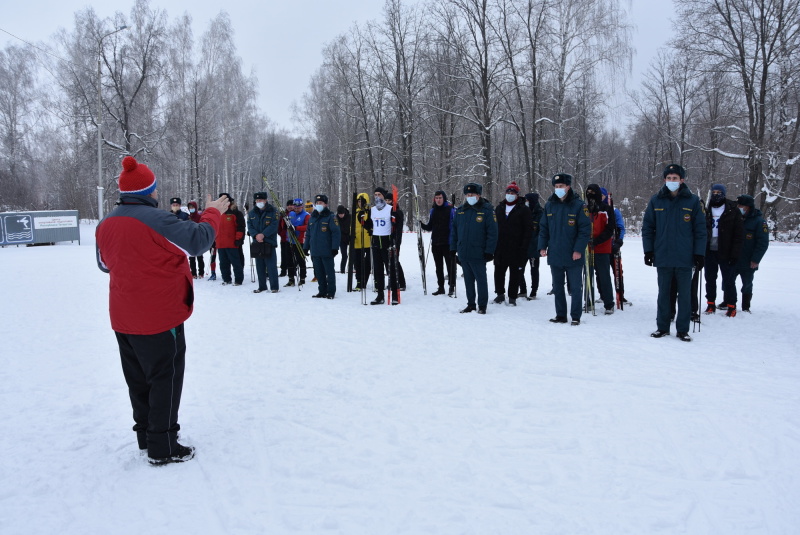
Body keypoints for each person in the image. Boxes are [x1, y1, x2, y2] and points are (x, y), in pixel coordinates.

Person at [96, 155, 229, 465]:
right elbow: (198, 243)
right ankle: (164, 445)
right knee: (164, 379)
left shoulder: (106, 223)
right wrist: (212, 212)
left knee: (138, 380)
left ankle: (146, 435)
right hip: (159, 316)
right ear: (150, 191)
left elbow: (104, 264)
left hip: (123, 316)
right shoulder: (157, 220)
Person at [642, 164, 707, 342]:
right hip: (663, 256)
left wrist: (699, 254)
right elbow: (648, 227)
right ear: (665, 180)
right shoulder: (656, 201)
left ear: (682, 180)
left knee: (684, 296)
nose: (672, 181)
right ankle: (662, 327)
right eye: (669, 178)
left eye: (675, 178)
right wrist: (648, 250)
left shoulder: (692, 201)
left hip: (685, 258)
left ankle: (682, 330)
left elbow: (700, 230)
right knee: (664, 294)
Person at [538, 173, 592, 325]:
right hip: (555, 254)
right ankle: (560, 315)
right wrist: (542, 246)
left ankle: (575, 316)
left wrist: (578, 250)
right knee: (558, 287)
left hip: (573, 254)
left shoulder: (579, 205)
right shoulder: (549, 205)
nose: (558, 189)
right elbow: (544, 228)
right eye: (556, 186)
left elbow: (584, 230)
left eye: (561, 186)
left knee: (575, 288)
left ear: (568, 187)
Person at [450, 182, 498, 314]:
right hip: (463, 252)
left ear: (478, 195)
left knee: (481, 280)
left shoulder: (487, 210)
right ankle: (470, 304)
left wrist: (489, 251)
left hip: (479, 252)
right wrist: (453, 248)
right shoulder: (460, 211)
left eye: (472, 194)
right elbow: (454, 231)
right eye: (467, 194)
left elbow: (493, 233)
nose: (470, 197)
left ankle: (482, 306)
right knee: (468, 280)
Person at [702, 183, 744, 317]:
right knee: (710, 279)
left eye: (719, 192)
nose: (716, 195)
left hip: (726, 250)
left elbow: (739, 235)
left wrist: (735, 254)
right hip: (709, 250)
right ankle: (710, 304)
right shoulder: (706, 209)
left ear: (724, 194)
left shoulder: (732, 210)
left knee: (728, 280)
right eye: (713, 192)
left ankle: (731, 306)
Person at [492, 181, 532, 306]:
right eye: (508, 192)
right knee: (499, 272)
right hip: (500, 246)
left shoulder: (524, 209)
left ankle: (512, 296)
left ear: (517, 194)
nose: (510, 194)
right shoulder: (499, 208)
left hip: (517, 247)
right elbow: (494, 227)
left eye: (512, 193)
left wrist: (524, 246)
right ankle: (500, 294)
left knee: (515, 273)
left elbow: (528, 229)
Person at [734, 195, 769, 312]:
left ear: (748, 207)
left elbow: (763, 243)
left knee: (747, 284)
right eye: (738, 205)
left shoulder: (759, 222)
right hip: (733, 258)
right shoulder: (735, 217)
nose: (738, 207)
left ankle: (745, 306)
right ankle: (729, 302)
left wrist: (756, 259)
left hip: (748, 260)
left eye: (741, 205)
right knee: (727, 283)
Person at [585, 183, 616, 315]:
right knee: (588, 276)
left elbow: (610, 229)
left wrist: (597, 240)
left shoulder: (606, 209)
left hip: (602, 247)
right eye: (588, 192)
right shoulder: (585, 209)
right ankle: (589, 301)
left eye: (593, 192)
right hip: (587, 248)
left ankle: (608, 303)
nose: (590, 194)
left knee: (603, 276)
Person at [305, 194, 341, 298]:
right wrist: (306, 247)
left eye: (320, 203)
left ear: (326, 204)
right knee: (319, 273)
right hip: (315, 251)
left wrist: (335, 247)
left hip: (327, 250)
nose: (318, 205)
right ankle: (322, 291)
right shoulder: (312, 218)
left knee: (329, 273)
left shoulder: (331, 217)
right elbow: (308, 234)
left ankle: (331, 292)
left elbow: (336, 233)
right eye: (317, 203)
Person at [366, 187, 398, 305]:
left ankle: (395, 294)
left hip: (387, 242)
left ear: (384, 196)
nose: (377, 197)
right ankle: (380, 295)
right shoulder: (372, 210)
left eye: (379, 194)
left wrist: (396, 218)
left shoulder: (390, 209)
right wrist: (363, 221)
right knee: (378, 271)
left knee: (391, 271)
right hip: (376, 242)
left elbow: (396, 226)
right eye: (375, 194)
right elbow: (369, 225)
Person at [421, 190, 456, 296]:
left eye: (440, 198)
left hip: (448, 243)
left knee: (450, 266)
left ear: (444, 198)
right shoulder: (433, 211)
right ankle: (441, 287)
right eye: (436, 198)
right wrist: (421, 225)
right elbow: (430, 226)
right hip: (436, 243)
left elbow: (455, 226)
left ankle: (451, 286)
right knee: (438, 267)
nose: (438, 200)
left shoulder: (450, 210)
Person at [247, 192, 280, 293]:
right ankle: (262, 286)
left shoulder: (273, 211)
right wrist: (256, 235)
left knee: (271, 266)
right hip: (257, 242)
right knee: (260, 266)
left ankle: (274, 287)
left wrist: (263, 235)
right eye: (257, 201)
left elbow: (274, 225)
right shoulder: (252, 213)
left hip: (269, 242)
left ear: (265, 200)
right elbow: (250, 225)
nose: (259, 202)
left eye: (261, 200)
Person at [601, 188, 627, 304]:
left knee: (617, 272)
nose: (600, 198)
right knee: (601, 273)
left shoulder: (614, 211)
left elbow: (621, 227)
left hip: (612, 246)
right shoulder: (595, 210)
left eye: (602, 196)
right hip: (601, 247)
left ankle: (620, 294)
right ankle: (603, 295)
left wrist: (619, 241)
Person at [216, 193, 246, 286]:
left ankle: (238, 280)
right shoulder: (217, 213)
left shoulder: (236, 213)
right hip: (220, 243)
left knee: (236, 262)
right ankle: (226, 279)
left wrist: (238, 239)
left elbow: (241, 227)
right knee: (223, 263)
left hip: (232, 243)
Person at [518, 192, 543, 300]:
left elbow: (542, 231)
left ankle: (533, 292)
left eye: (528, 200)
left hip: (534, 247)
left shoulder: (540, 213)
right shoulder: (523, 211)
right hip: (522, 247)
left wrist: (538, 245)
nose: (526, 202)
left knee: (534, 270)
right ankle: (522, 290)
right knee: (519, 269)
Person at [285, 198, 309, 286]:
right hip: (290, 240)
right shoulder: (291, 213)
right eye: (295, 207)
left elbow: (307, 227)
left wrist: (296, 228)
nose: (296, 209)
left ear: (302, 206)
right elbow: (287, 224)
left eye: (298, 207)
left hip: (300, 241)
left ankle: (302, 278)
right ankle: (291, 279)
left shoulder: (306, 215)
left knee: (300, 259)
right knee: (289, 260)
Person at [385, 191, 406, 290]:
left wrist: (397, 243)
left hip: (395, 240)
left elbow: (398, 228)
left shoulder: (398, 212)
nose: (388, 202)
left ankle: (401, 283)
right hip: (387, 239)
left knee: (395, 261)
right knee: (389, 262)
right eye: (386, 200)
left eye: (389, 200)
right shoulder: (385, 211)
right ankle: (392, 281)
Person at [353, 193, 372, 290]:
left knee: (368, 263)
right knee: (357, 263)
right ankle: (359, 281)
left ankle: (365, 280)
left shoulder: (370, 212)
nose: (360, 203)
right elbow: (352, 226)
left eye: (362, 201)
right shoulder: (355, 212)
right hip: (357, 242)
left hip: (368, 241)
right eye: (359, 201)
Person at [187, 201, 205, 279]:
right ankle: (193, 273)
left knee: (199, 257)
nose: (191, 209)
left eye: (192, 207)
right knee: (191, 258)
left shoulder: (199, 217)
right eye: (190, 208)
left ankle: (201, 272)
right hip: (190, 239)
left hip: (198, 239)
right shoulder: (188, 217)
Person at [278, 199, 294, 278]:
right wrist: (281, 233)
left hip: (293, 239)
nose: (290, 207)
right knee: (283, 255)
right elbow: (279, 226)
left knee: (292, 255)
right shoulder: (283, 214)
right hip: (284, 238)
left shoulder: (295, 214)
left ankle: (293, 270)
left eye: (291, 205)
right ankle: (283, 270)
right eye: (288, 205)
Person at [336, 205, 351, 273]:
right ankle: (342, 270)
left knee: (353, 255)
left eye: (342, 214)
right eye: (339, 214)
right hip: (341, 239)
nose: (340, 215)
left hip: (349, 237)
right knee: (344, 255)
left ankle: (354, 268)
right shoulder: (335, 218)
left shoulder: (349, 217)